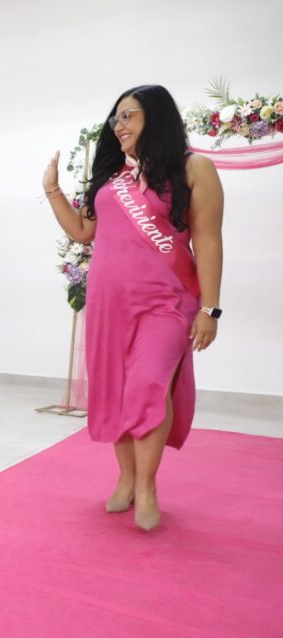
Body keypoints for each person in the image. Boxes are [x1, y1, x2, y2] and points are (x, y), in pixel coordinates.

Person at [42, 84, 224, 531]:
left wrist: (211, 309)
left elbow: (208, 241)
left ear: (155, 117)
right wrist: (52, 190)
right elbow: (84, 232)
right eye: (115, 118)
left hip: (168, 303)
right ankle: (125, 478)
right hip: (109, 304)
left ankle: (147, 485)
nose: (118, 125)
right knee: (116, 392)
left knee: (148, 387)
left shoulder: (194, 168)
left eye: (128, 115)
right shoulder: (115, 178)